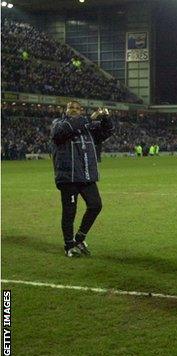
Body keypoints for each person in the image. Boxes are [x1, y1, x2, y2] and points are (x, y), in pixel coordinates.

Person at [51, 101, 113, 257]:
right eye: (70, 107)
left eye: (77, 108)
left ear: (81, 111)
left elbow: (107, 131)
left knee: (95, 205)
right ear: (65, 110)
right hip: (68, 177)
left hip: (86, 176)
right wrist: (89, 119)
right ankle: (69, 245)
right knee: (69, 213)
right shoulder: (58, 124)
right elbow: (63, 132)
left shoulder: (88, 128)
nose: (73, 110)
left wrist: (105, 118)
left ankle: (79, 238)